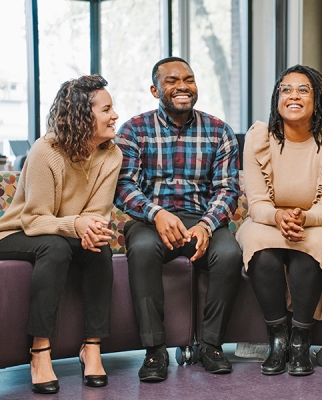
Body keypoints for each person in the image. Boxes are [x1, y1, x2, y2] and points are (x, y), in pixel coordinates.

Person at [114, 57, 242, 382]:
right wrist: (156, 214)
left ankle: (211, 345)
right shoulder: (133, 130)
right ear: (155, 89)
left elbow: (227, 189)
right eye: (171, 80)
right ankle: (155, 350)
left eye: (189, 79)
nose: (182, 86)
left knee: (229, 254)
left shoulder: (219, 131)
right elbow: (123, 185)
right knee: (141, 251)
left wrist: (207, 224)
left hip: (201, 218)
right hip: (150, 220)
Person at [0, 75, 122, 394]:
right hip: (17, 232)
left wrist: (89, 228)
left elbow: (96, 214)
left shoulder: (112, 155)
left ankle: (91, 348)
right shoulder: (46, 150)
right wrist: (76, 225)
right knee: (54, 248)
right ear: (84, 114)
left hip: (62, 234)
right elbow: (35, 218)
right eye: (107, 109)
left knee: (100, 247)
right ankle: (40, 351)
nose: (115, 115)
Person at [235, 65, 322, 376]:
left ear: (318, 101)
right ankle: (278, 340)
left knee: (310, 246)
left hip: (319, 222)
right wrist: (277, 216)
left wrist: (303, 218)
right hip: (266, 219)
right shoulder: (258, 138)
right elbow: (257, 202)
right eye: (286, 89)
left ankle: (301, 339)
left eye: (303, 90)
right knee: (259, 246)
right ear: (277, 98)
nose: (293, 96)